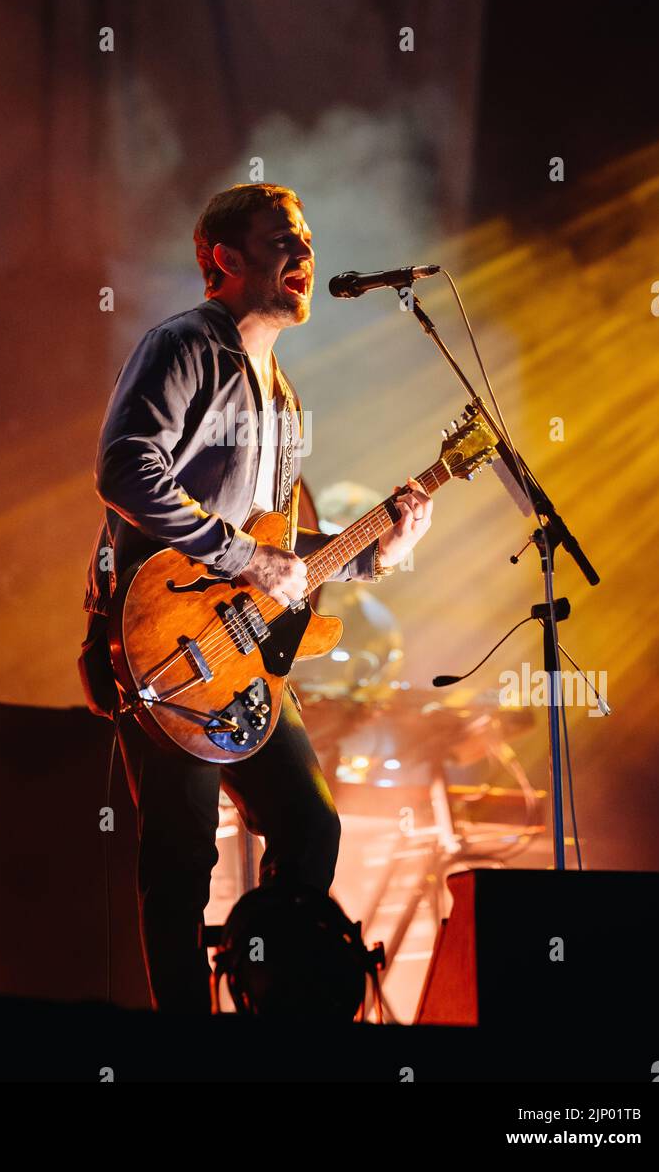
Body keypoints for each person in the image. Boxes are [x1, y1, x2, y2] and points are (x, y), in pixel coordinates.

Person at [78, 182, 433, 1012]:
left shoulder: (286, 396)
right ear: (224, 260)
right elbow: (124, 469)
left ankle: (275, 1004)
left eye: (306, 237)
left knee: (311, 826)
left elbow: (282, 551)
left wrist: (378, 553)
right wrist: (242, 557)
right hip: (163, 639)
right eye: (284, 239)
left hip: (241, 654)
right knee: (181, 861)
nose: (305, 251)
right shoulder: (182, 346)